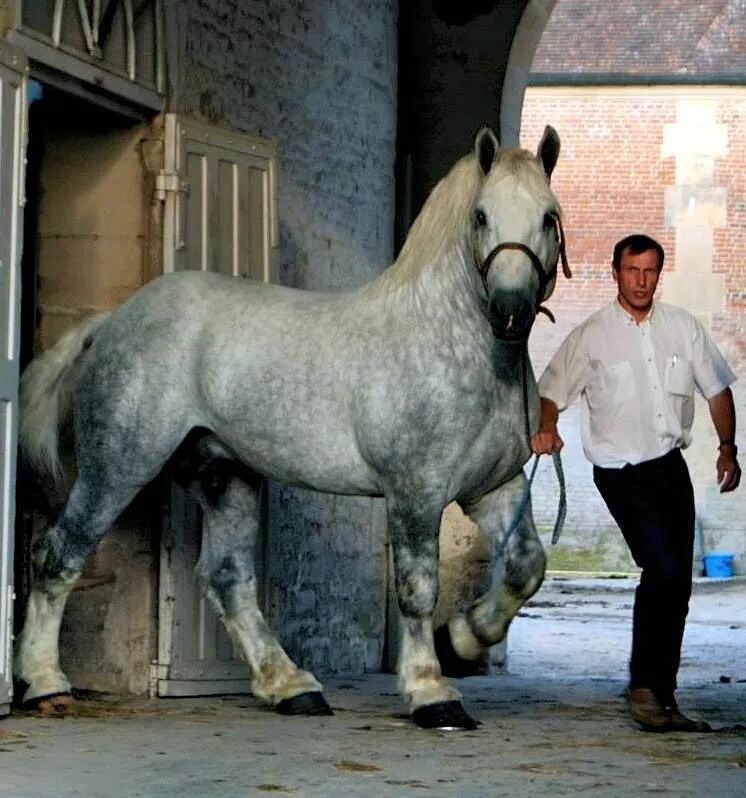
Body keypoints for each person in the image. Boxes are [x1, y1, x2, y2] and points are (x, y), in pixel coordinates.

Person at [531, 233, 741, 733]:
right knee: (664, 568)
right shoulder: (592, 335)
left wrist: (727, 448)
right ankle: (644, 688)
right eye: (632, 271)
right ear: (616, 273)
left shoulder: (683, 329)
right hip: (621, 472)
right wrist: (546, 427)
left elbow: (716, 388)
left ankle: (661, 693)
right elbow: (551, 392)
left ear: (657, 275)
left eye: (650, 271)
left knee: (678, 582)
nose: (641, 280)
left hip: (670, 465)